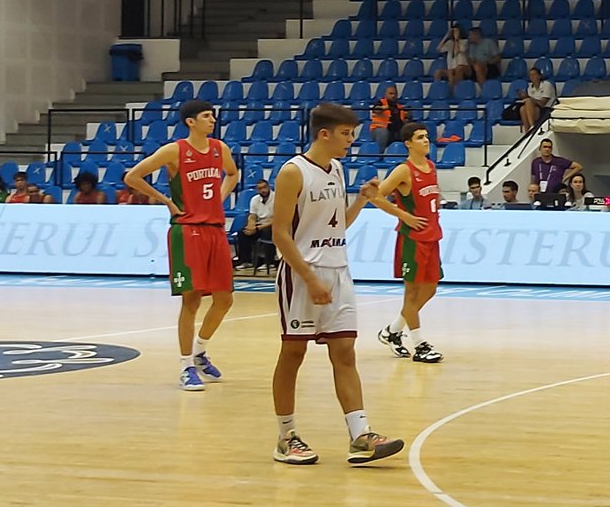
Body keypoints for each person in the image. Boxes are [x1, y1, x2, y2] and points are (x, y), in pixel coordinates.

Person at [267, 102, 404, 466]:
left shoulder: (338, 170)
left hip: (338, 270)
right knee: (292, 354)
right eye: (346, 134)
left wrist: (361, 200)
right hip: (301, 274)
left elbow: (336, 224)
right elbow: (280, 234)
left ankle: (360, 436)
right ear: (324, 134)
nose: (351, 141)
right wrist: (310, 280)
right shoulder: (293, 172)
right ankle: (286, 436)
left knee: (345, 353)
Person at [125, 101, 240, 393]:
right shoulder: (174, 151)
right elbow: (132, 176)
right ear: (190, 122)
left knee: (225, 300)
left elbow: (233, 174)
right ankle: (186, 365)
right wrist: (165, 200)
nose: (212, 119)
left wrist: (220, 197)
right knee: (191, 301)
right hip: (187, 231)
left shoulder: (219, 149)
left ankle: (200, 351)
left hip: (215, 229)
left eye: (213, 115)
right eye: (206, 116)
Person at [375, 123, 446, 364]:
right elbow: (375, 196)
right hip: (412, 239)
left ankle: (393, 331)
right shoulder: (403, 170)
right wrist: (403, 215)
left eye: (427, 136)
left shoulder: (431, 167)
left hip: (432, 236)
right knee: (412, 293)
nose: (426, 140)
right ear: (408, 143)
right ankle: (419, 344)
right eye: (420, 137)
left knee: (430, 289)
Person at [237, 178, 275, 267]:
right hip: (259, 224)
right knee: (243, 233)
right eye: (260, 188)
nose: (263, 190)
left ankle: (269, 263)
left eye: (264, 187)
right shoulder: (254, 199)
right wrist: (251, 226)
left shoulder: (277, 198)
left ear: (269, 187)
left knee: (268, 232)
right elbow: (252, 216)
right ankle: (246, 262)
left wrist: (258, 228)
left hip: (273, 225)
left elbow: (277, 219)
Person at [517, 66, 557, 136]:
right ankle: (527, 132)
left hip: (548, 109)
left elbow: (543, 103)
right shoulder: (530, 88)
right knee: (522, 109)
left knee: (529, 101)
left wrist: (531, 100)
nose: (532, 77)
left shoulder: (546, 85)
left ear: (539, 76)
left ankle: (532, 126)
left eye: (534, 74)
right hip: (535, 109)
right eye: (530, 75)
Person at [370, 84, 411, 150]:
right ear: (386, 94)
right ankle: (379, 155)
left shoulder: (400, 107)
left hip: (395, 131)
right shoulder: (381, 102)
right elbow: (375, 110)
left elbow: (404, 120)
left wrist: (407, 117)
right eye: (391, 93)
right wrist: (383, 108)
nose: (393, 96)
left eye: (395, 94)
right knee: (383, 133)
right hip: (380, 129)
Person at [435, 23, 471, 89]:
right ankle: (439, 91)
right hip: (452, 68)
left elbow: (458, 51)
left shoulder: (464, 42)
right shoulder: (450, 43)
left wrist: (456, 39)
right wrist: (446, 36)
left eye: (456, 31)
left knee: (458, 70)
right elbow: (438, 49)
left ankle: (455, 91)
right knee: (438, 72)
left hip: (463, 67)